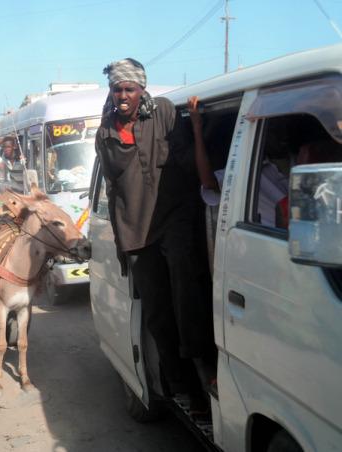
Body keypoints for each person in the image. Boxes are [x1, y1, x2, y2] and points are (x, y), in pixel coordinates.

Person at [95, 58, 214, 409]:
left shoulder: (162, 112)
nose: (122, 95)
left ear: (142, 89)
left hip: (174, 216)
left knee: (186, 296)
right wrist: (119, 243)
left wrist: (195, 126)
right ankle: (179, 384)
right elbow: (114, 184)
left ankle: (203, 370)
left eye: (129, 88)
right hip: (135, 228)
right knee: (159, 312)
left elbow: (188, 163)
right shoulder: (106, 132)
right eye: (117, 89)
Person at [188, 96, 288, 229]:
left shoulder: (298, 161)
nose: (279, 136)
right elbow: (209, 183)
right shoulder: (243, 172)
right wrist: (197, 127)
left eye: (280, 128)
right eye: (273, 130)